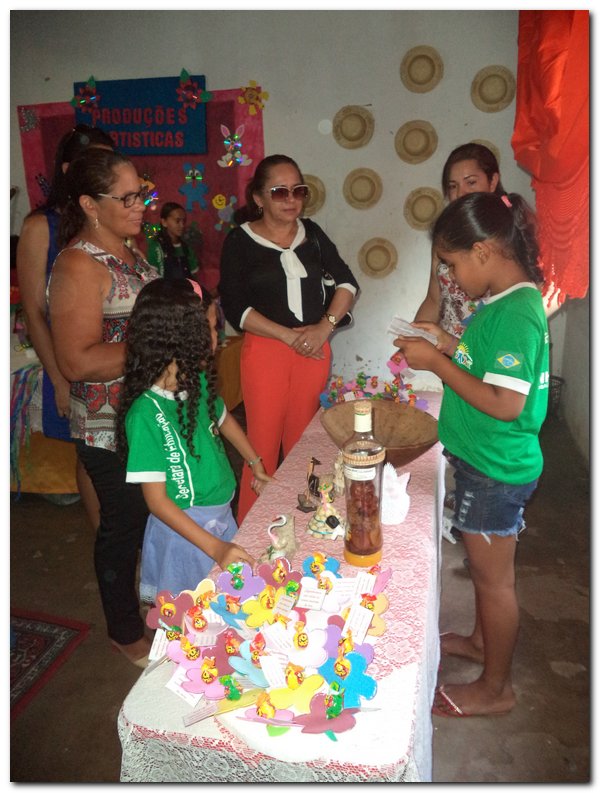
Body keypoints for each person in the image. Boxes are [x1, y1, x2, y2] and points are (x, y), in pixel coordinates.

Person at [394, 191, 549, 717]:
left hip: (495, 470)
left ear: (483, 251)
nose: (451, 279)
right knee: (487, 575)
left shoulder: (516, 313)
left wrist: (437, 366)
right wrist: (447, 341)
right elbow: (485, 364)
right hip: (485, 462)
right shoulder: (503, 304)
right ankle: (484, 643)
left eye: (453, 264)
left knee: (493, 580)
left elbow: (505, 402)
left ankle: (495, 688)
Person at [48, 147, 159, 667]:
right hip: (106, 425)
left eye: (143, 194)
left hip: (146, 414)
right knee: (123, 525)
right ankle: (123, 630)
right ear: (91, 204)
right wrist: (158, 346)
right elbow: (76, 361)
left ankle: (153, 603)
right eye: (129, 197)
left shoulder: (133, 253)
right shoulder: (77, 265)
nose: (141, 205)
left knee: (152, 517)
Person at [219, 154, 359, 522]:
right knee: (261, 449)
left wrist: (323, 328)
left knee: (303, 446)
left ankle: (308, 522)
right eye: (279, 191)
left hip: (313, 350)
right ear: (259, 198)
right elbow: (236, 309)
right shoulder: (240, 241)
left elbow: (347, 283)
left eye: (298, 190)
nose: (291, 199)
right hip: (266, 352)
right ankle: (252, 536)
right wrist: (287, 335)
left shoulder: (311, 233)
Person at [116, 279, 272, 603]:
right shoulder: (146, 414)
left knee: (226, 605)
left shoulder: (195, 381)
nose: (219, 338)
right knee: (194, 613)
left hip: (220, 519)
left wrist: (255, 464)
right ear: (181, 336)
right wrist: (216, 547)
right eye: (212, 329)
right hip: (185, 535)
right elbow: (157, 502)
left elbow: (224, 419)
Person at [16, 124, 114, 520]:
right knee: (91, 455)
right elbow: (34, 311)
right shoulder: (41, 226)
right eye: (96, 161)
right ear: (69, 168)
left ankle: (126, 538)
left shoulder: (109, 222)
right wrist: (59, 378)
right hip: (72, 364)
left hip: (114, 359)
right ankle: (106, 541)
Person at [414, 143, 504, 337]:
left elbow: (532, 297)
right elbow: (433, 300)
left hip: (487, 352)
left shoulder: (506, 233)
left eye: (471, 182)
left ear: (493, 181)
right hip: (446, 352)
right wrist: (412, 339)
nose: (460, 193)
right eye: (453, 186)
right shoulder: (445, 236)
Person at [145, 201, 200, 281]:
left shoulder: (187, 249)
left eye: (183, 221)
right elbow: (151, 280)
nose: (182, 225)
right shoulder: (156, 248)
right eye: (177, 221)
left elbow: (194, 278)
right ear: (164, 222)